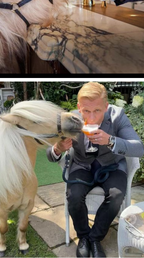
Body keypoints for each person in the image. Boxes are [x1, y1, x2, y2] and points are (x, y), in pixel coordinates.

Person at [46, 82, 144, 258]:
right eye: (86, 111)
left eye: (97, 111)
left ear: (106, 107)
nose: (91, 118)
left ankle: (95, 238)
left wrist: (111, 141)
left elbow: (139, 148)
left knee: (116, 196)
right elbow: (50, 154)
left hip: (111, 166)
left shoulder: (117, 116)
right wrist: (58, 148)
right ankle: (83, 236)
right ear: (78, 108)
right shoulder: (71, 119)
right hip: (82, 165)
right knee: (74, 196)